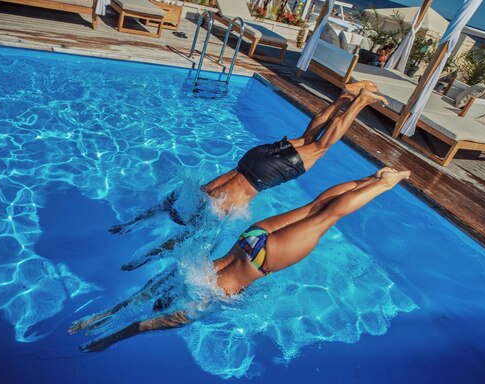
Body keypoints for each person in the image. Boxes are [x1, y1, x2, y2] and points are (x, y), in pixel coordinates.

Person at [69, 167, 411, 352]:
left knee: (326, 217)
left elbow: (144, 324)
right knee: (314, 208)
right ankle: (372, 176)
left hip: (263, 259)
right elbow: (138, 299)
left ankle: (384, 183)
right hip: (250, 237)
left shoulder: (192, 308)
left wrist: (109, 340)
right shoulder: (185, 274)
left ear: (171, 308)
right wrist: (103, 319)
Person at [110, 81, 387, 234]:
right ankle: (344, 96)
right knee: (308, 138)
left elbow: (188, 238)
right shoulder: (189, 193)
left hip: (263, 174)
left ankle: (360, 100)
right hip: (251, 160)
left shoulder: (209, 212)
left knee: (322, 146)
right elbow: (160, 207)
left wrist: (136, 230)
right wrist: (130, 224)